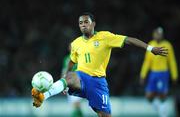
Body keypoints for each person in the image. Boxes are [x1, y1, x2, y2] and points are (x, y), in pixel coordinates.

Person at [32, 13, 168, 117]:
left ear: (93, 24)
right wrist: (64, 78)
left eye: (86, 22)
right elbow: (72, 61)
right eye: (80, 23)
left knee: (104, 115)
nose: (83, 24)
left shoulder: (105, 37)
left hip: (98, 83)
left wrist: (150, 49)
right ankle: (43, 96)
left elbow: (128, 40)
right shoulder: (75, 43)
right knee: (71, 77)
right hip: (81, 77)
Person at [140, 27, 178, 117]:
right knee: (149, 96)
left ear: (162, 35)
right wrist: (143, 75)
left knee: (162, 95)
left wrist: (174, 75)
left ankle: (163, 114)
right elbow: (147, 62)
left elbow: (172, 61)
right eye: (156, 33)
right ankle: (161, 109)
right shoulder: (151, 44)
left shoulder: (167, 45)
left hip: (163, 73)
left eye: (159, 34)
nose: (158, 35)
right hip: (153, 73)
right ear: (153, 34)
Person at [61, 45, 83, 117]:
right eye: (71, 46)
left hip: (78, 82)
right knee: (76, 105)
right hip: (71, 83)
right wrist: (63, 84)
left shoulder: (80, 57)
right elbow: (64, 71)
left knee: (76, 104)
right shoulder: (67, 59)